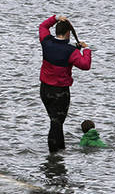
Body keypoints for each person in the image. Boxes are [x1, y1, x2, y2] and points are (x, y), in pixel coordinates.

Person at [38, 15, 92, 152]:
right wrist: (86, 50)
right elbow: (85, 65)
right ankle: (54, 153)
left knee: (55, 122)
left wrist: (56, 18)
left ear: (56, 32)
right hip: (60, 93)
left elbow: (43, 26)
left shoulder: (46, 42)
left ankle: (60, 151)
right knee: (56, 123)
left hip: (44, 90)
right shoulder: (71, 51)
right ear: (68, 33)